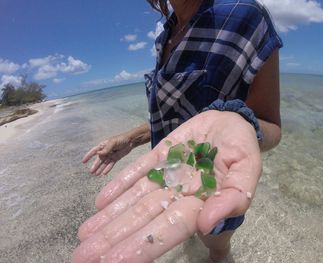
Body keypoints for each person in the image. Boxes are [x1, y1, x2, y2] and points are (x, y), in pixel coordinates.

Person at [74, 0, 283, 262]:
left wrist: (239, 120)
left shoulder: (245, 17)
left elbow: (271, 124)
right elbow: (173, 116)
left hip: (213, 179)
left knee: (216, 243)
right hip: (170, 174)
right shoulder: (166, 35)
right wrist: (130, 139)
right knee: (181, 229)